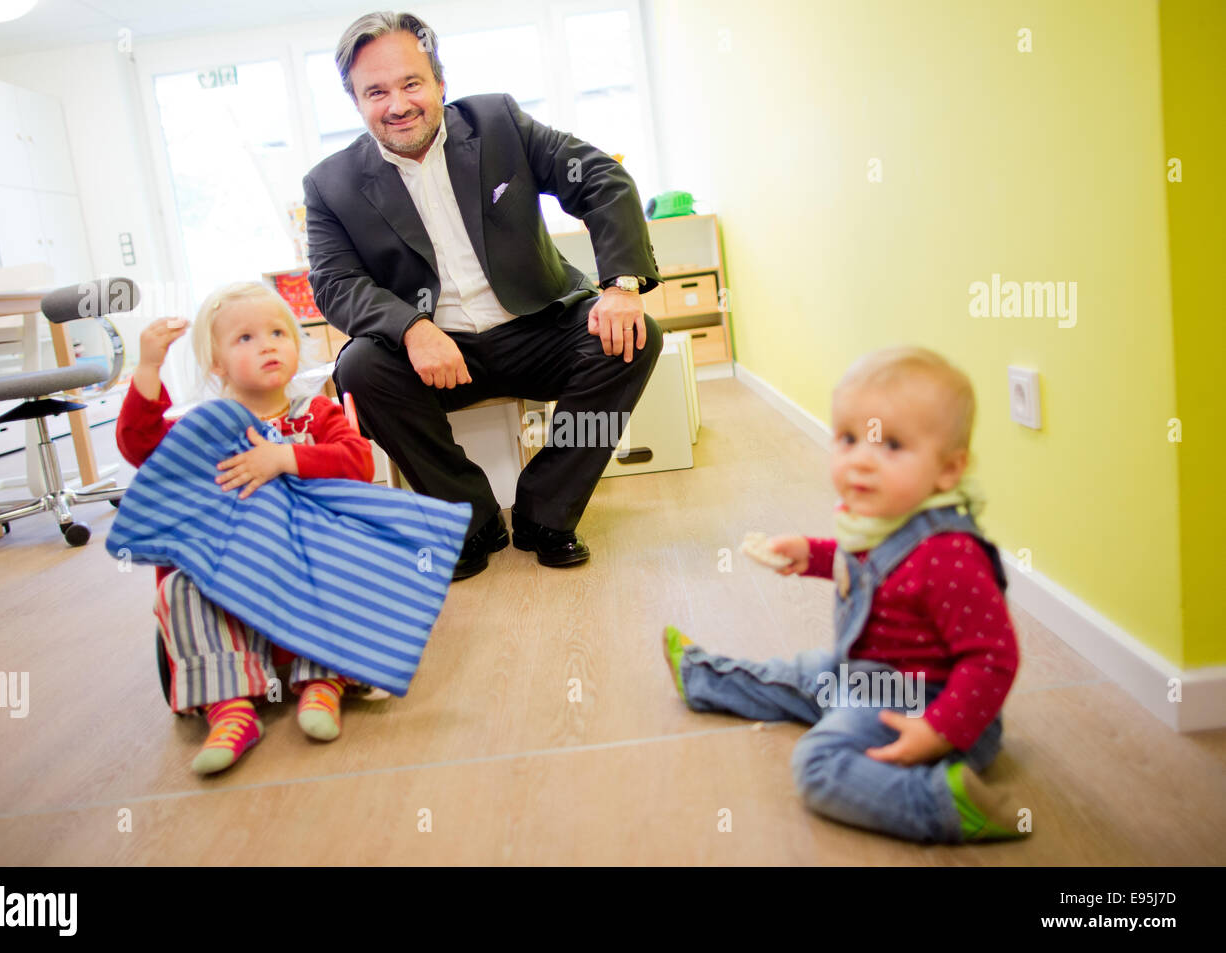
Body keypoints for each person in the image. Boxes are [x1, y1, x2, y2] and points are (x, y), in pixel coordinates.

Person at [304, 10, 664, 579]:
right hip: (434, 354)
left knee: (632, 339)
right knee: (360, 367)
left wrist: (620, 285)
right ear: (356, 102)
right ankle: (469, 520)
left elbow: (601, 178)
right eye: (375, 91)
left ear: (440, 84)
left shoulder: (498, 123)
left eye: (410, 83)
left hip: (537, 328)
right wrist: (413, 329)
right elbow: (333, 281)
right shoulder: (330, 184)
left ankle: (546, 509)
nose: (396, 104)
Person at [662, 347, 1030, 844]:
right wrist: (809, 554)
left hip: (923, 705)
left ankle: (944, 801)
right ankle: (704, 677)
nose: (861, 460)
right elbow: (868, 566)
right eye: (849, 439)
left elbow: (993, 658)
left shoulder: (951, 555)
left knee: (818, 764)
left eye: (891, 445)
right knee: (798, 674)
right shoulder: (888, 519)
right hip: (868, 675)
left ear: (948, 470)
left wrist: (939, 731)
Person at [116, 281, 375, 774]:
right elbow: (141, 447)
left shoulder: (314, 413)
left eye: (279, 332)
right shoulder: (204, 427)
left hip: (305, 556)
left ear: (296, 348)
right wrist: (148, 367)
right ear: (217, 365)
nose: (268, 344)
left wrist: (286, 456)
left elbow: (357, 462)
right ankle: (230, 708)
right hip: (229, 566)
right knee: (180, 590)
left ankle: (324, 682)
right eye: (246, 338)